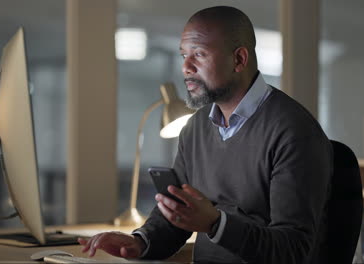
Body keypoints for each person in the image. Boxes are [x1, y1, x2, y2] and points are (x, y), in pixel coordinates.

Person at [79, 6, 332, 263]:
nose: (186, 67)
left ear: (239, 60)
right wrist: (139, 242)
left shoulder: (294, 131)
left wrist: (215, 224)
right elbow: (177, 215)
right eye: (183, 55)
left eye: (198, 54)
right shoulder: (196, 127)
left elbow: (292, 250)